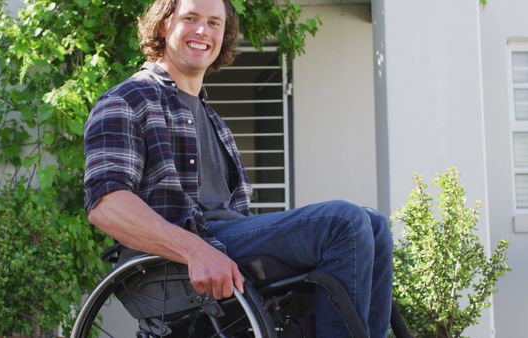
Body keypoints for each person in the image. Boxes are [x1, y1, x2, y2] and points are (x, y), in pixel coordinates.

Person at [83, 0, 393, 336]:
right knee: (343, 222)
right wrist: (194, 249)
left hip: (228, 244)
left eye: (214, 23)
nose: (203, 31)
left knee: (374, 225)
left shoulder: (214, 121)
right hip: (176, 264)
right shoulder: (128, 99)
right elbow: (107, 205)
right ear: (163, 26)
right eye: (190, 18)